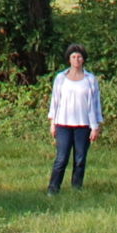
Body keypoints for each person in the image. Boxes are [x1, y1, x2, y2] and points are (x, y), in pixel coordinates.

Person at [46, 44, 102, 195]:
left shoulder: (90, 80)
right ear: (69, 59)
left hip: (83, 125)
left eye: (79, 57)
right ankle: (53, 188)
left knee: (80, 159)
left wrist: (95, 126)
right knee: (61, 158)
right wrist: (52, 123)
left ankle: (76, 188)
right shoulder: (60, 78)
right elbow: (55, 101)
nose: (76, 60)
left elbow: (96, 103)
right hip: (63, 124)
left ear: (83, 60)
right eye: (73, 57)